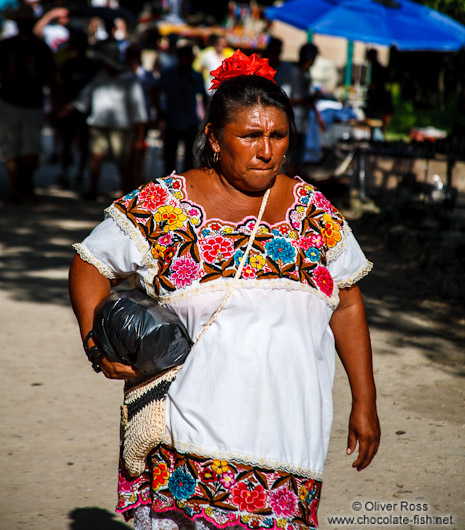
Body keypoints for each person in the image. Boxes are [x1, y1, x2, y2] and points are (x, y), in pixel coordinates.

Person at [69, 50, 380, 530]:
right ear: (214, 138)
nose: (266, 150)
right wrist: (96, 343)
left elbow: (347, 304)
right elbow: (90, 262)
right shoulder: (167, 204)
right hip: (190, 430)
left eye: (277, 136)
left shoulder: (313, 210)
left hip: (290, 433)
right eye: (250, 136)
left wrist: (365, 401)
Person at [65, 39, 148, 199]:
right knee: (95, 157)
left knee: (123, 162)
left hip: (121, 128)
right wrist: (69, 108)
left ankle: (126, 194)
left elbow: (139, 109)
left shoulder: (128, 79)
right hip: (98, 124)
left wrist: (139, 135)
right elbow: (84, 97)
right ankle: (93, 189)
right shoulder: (100, 76)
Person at [0, 3, 55, 204]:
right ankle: (18, 189)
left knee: (28, 150)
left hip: (31, 103)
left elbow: (51, 78)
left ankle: (25, 187)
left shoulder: (40, 48)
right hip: (10, 102)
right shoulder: (8, 46)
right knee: (12, 149)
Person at [156, 43, 208, 173]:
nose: (185, 60)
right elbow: (155, 91)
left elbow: (204, 97)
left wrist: (208, 117)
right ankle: (168, 184)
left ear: (192, 58)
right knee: (169, 158)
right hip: (172, 120)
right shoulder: (168, 75)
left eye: (187, 57)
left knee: (189, 159)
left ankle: (186, 183)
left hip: (190, 122)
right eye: (182, 57)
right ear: (178, 57)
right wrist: (159, 111)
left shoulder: (197, 76)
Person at [286, 43, 327, 171]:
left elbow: (310, 99)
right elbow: (286, 100)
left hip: (302, 122)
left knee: (298, 157)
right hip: (292, 121)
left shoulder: (306, 74)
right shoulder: (293, 73)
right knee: (289, 157)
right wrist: (306, 100)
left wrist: (318, 118)